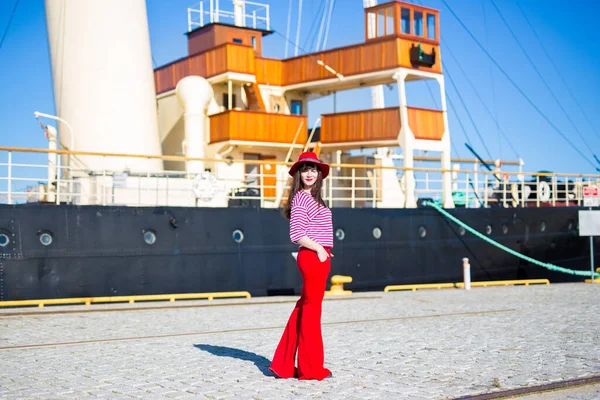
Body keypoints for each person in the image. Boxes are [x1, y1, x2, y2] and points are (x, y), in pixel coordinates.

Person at [269, 151, 333, 381]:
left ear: (319, 174)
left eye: (313, 169)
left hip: (319, 256)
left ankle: (282, 365)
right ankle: (311, 369)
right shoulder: (301, 198)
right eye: (305, 169)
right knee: (312, 313)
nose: (309, 173)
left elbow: (315, 229)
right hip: (313, 257)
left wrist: (324, 249)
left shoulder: (315, 199)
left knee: (303, 308)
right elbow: (297, 234)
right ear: (298, 173)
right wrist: (318, 249)